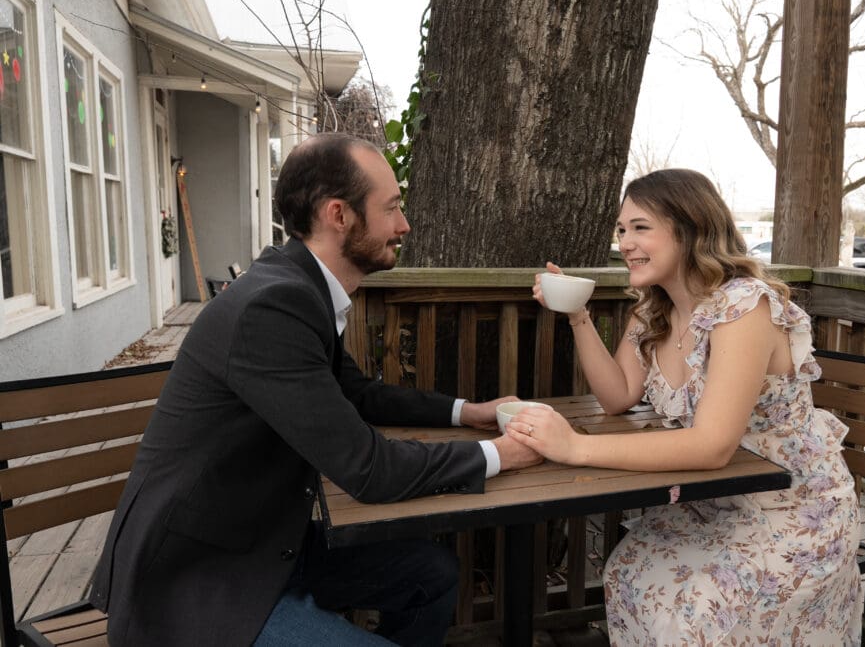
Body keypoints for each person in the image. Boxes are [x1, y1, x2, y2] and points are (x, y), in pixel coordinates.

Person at [90, 133, 540, 647]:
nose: (404, 224)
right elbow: (369, 470)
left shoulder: (298, 289)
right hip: (198, 580)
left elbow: (359, 394)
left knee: (431, 574)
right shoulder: (274, 306)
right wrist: (499, 454)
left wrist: (470, 412)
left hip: (264, 546)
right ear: (339, 215)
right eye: (391, 207)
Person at [512, 169, 862, 644]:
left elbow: (712, 446)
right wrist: (577, 316)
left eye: (640, 227)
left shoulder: (742, 308)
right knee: (627, 571)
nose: (625, 243)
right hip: (713, 500)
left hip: (790, 508)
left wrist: (574, 448)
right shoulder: (653, 309)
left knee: (696, 609)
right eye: (621, 230)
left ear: (688, 227)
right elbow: (617, 397)